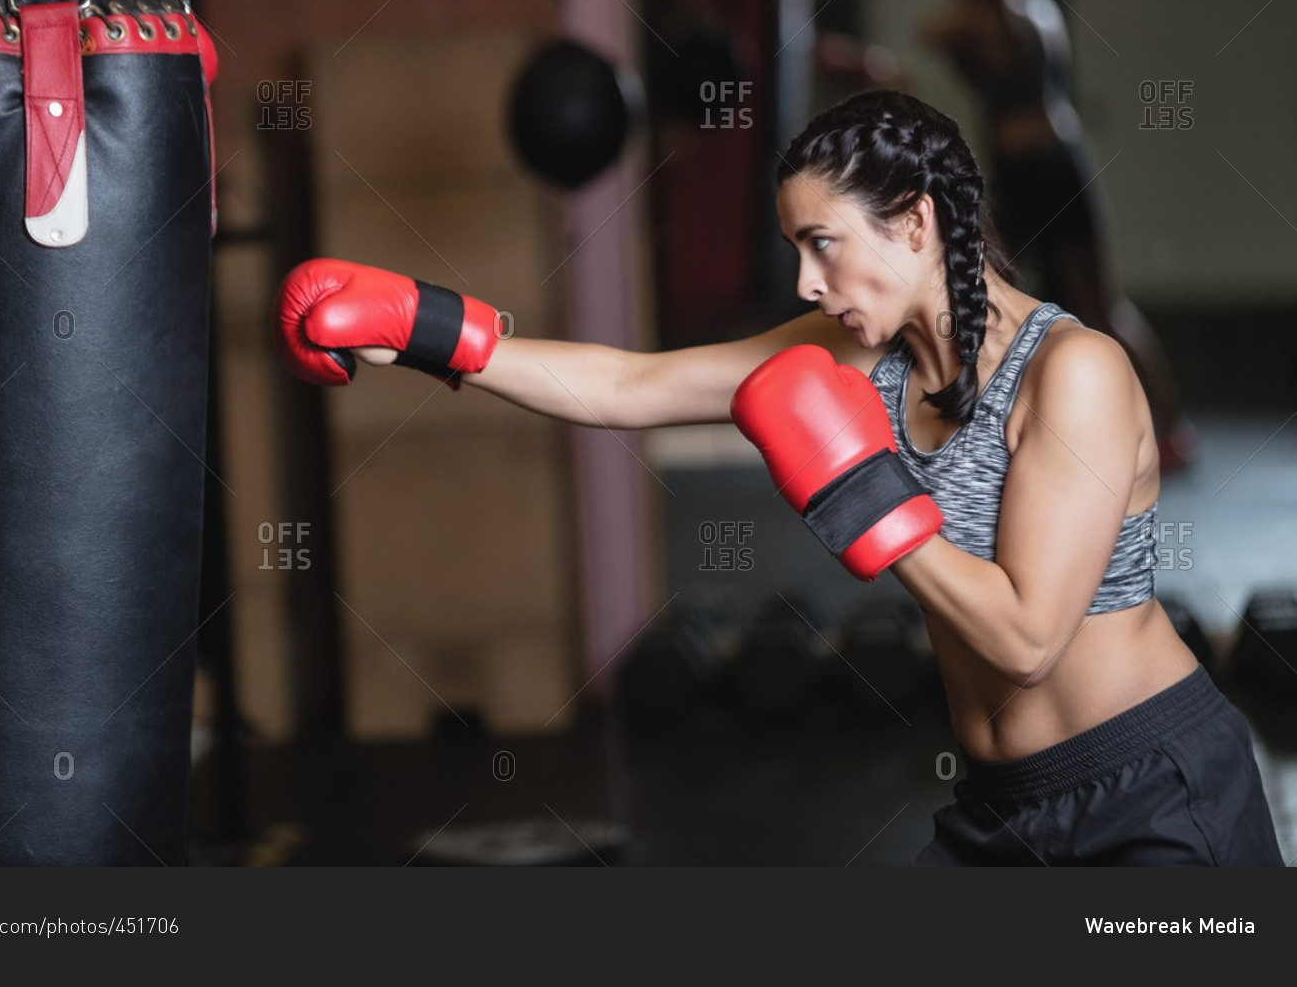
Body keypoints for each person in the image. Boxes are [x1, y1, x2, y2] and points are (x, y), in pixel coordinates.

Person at [271, 89, 1282, 867]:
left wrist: (863, 488)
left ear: (917, 225)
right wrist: (427, 329)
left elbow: (1023, 639)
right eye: (798, 248)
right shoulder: (859, 354)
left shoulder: (1076, 374)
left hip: (1153, 795)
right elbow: (630, 384)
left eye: (824, 245)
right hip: (1001, 810)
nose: (806, 281)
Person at [915, 0, 1199, 474]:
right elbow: (929, 30)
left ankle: (1170, 429)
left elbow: (984, 33)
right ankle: (995, 437)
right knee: (994, 298)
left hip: (1054, 170)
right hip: (1014, 176)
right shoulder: (975, 20)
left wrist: (978, 5)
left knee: (1100, 305)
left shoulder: (1028, 14)